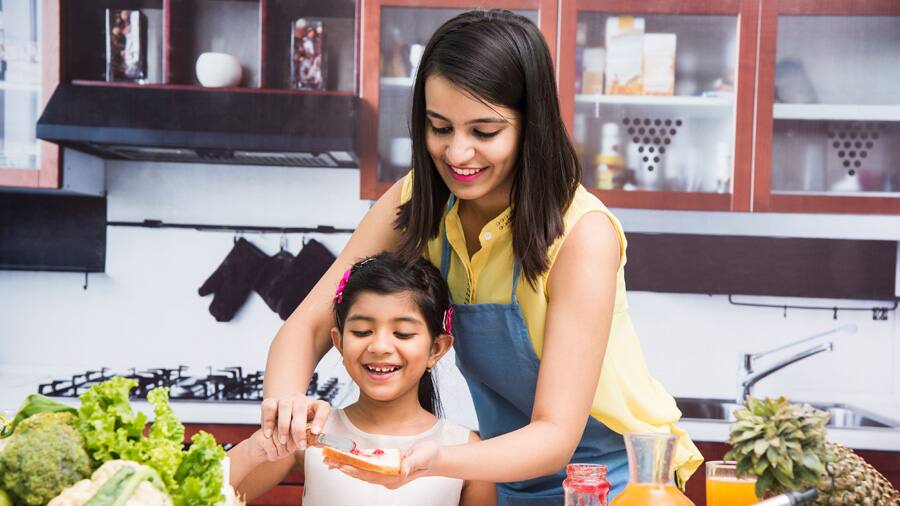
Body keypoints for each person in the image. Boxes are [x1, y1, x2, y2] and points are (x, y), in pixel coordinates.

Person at [260, 8, 704, 503]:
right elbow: (306, 327)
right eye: (439, 127)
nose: (457, 154)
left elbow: (556, 435)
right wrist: (286, 406)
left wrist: (432, 458)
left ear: (529, 127)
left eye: (484, 132)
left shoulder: (582, 234)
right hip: (507, 468)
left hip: (619, 480)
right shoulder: (417, 203)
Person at [228, 253, 495, 505]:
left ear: (436, 349)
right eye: (362, 331)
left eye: (402, 333)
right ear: (339, 342)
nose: (379, 346)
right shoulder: (310, 436)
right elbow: (196, 494)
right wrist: (259, 444)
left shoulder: (464, 449)